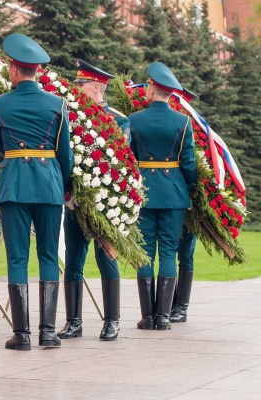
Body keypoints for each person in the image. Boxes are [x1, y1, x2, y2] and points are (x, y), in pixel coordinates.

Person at [0, 33, 72, 350]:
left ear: (13, 69)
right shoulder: (57, 104)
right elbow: (64, 153)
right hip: (49, 185)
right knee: (49, 255)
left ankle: (22, 335)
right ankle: (48, 333)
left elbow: (1, 145)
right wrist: (64, 186)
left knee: (17, 258)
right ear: (37, 71)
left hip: (14, 184)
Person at [58, 59, 128, 342]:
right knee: (73, 261)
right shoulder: (70, 114)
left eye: (81, 84)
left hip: (104, 205)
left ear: (96, 87)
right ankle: (73, 322)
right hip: (75, 202)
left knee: (106, 258)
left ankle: (112, 321)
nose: (76, 89)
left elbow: (123, 164)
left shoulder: (118, 120)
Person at [129, 63, 196, 330]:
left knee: (145, 252)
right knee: (168, 252)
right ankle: (164, 317)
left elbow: (130, 158)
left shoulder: (134, 120)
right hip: (174, 194)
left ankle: (148, 317)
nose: (145, 89)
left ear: (154, 88)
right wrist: (187, 185)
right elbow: (188, 164)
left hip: (144, 192)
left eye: (147, 85)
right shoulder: (183, 122)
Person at [171, 86, 200, 323]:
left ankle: (181, 306)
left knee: (186, 253)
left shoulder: (194, 130)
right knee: (169, 251)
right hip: (173, 197)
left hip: (189, 200)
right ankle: (170, 303)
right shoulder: (176, 126)